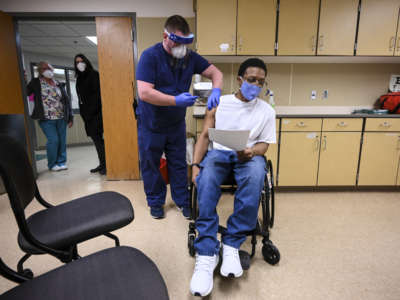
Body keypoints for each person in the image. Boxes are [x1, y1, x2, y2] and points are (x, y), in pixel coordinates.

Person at [189, 58, 276, 297]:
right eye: (251, 80)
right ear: (239, 80)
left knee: (257, 174)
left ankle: (231, 243)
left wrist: (251, 151)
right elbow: (205, 136)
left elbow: (264, 145)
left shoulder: (267, 111)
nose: (255, 85)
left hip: (249, 156)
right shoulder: (220, 102)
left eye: (260, 82)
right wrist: (195, 165)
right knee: (205, 182)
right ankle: (206, 252)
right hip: (220, 153)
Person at [136, 15, 223, 219]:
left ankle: (183, 201)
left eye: (185, 43)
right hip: (152, 124)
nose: (181, 48)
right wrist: (176, 101)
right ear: (165, 36)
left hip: (175, 124)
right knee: (151, 163)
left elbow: (216, 73)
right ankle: (156, 202)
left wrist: (216, 90)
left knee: (178, 163)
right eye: (177, 42)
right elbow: (145, 93)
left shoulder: (190, 58)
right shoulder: (150, 56)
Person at [27, 61, 73, 171]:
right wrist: (23, 80)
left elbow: (66, 101)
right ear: (40, 71)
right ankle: (52, 164)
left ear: (52, 69)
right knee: (53, 140)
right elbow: (26, 92)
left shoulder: (58, 83)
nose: (47, 70)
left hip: (61, 117)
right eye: (43, 69)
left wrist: (70, 117)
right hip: (46, 118)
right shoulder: (36, 82)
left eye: (48, 67)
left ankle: (61, 162)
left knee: (62, 140)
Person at [74, 54, 106, 175]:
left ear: (86, 62)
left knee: (99, 141)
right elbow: (81, 98)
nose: (80, 64)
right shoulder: (79, 78)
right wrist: (84, 113)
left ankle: (106, 165)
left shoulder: (94, 75)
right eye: (77, 62)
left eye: (82, 61)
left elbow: (97, 95)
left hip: (96, 113)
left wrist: (91, 112)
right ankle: (102, 163)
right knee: (96, 140)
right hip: (87, 115)